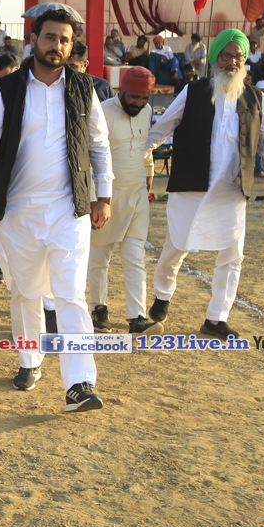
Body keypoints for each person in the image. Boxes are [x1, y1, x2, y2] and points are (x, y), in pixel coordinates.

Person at [0, 8, 113, 413]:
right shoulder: (6, 89)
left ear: (72, 46)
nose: (57, 46)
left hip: (68, 211)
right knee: (24, 292)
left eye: (65, 40)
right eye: (51, 37)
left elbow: (98, 144)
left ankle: (79, 383)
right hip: (15, 213)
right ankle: (30, 359)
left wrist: (104, 195)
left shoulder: (84, 88)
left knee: (70, 294)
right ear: (34, 40)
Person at [144, 29, 264, 340]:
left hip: (232, 192)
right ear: (215, 59)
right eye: (226, 56)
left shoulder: (256, 98)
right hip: (191, 185)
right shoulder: (192, 92)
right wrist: (133, 159)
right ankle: (162, 296)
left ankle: (216, 318)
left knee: (232, 255)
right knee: (176, 247)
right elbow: (160, 130)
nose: (232, 62)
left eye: (238, 57)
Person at [88, 67, 164, 336]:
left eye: (144, 98)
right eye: (134, 97)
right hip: (106, 196)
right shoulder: (101, 112)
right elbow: (91, 156)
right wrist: (95, 199)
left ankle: (137, 317)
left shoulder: (146, 111)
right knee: (99, 256)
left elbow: (143, 144)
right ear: (121, 90)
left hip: (137, 194)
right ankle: (99, 309)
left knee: (135, 256)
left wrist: (149, 171)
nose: (139, 103)